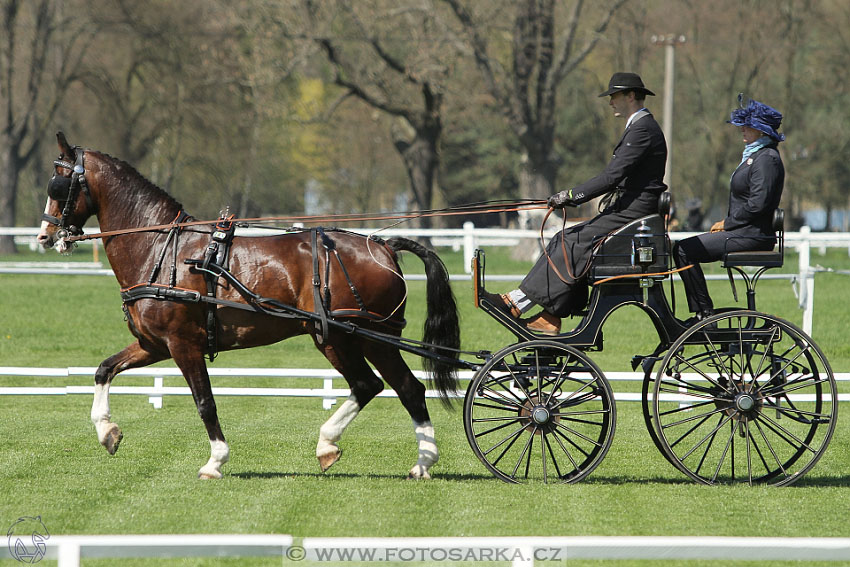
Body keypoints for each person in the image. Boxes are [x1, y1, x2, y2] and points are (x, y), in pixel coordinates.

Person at [483, 72, 668, 335]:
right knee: (564, 238)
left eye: (613, 96)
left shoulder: (642, 130)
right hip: (629, 208)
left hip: (634, 212)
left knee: (573, 242)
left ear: (630, 95)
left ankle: (516, 303)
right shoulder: (638, 127)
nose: (610, 102)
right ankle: (549, 316)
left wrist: (570, 196)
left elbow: (611, 177)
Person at [673, 97, 785, 322]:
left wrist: (728, 223)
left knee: (684, 250)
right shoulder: (755, 156)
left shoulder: (767, 159)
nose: (742, 129)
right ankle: (703, 311)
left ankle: (704, 313)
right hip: (743, 232)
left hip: (753, 236)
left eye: (748, 126)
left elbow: (758, 204)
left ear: (762, 131)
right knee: (683, 249)